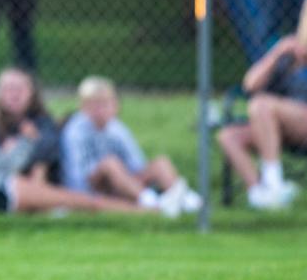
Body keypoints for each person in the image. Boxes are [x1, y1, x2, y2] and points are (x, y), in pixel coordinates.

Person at [0, 78, 141, 214]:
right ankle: (147, 211)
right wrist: (26, 141)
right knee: (83, 202)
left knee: (69, 205)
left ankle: (142, 208)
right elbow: (3, 166)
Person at [216, 0, 307, 209]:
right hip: (280, 127)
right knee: (229, 136)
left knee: (261, 105)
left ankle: (273, 181)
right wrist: (277, 53)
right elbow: (249, 84)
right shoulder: (291, 52)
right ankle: (261, 194)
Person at [60, 76, 202, 218]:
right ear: (83, 106)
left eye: (105, 103)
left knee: (161, 163)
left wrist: (128, 181)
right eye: (95, 104)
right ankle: (151, 202)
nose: (101, 109)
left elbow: (137, 164)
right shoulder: (75, 131)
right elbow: (77, 175)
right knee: (110, 163)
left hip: (122, 184)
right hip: (93, 188)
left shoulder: (117, 129)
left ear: (115, 105)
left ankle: (187, 199)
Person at [0, 67, 59, 183]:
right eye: (8, 89)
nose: (14, 95)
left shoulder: (43, 122)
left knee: (41, 165)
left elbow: (49, 146)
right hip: (3, 184)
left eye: (19, 89)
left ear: (31, 92)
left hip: (38, 183)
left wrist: (30, 141)